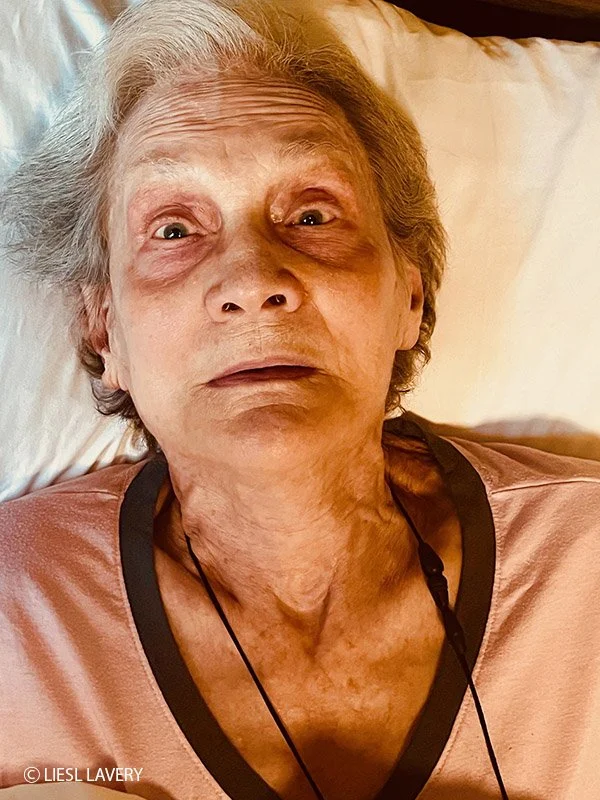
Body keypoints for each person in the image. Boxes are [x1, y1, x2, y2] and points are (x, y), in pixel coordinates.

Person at [1, 1, 599, 799]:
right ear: (104, 329)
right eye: (173, 230)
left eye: (313, 214)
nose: (252, 281)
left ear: (409, 296)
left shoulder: (585, 568)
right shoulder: (17, 616)